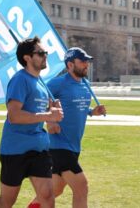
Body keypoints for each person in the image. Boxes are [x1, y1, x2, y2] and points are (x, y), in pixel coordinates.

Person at [0, 37, 63, 208]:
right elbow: (14, 116)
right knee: (5, 203)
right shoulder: (20, 80)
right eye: (41, 53)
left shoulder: (41, 84)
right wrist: (47, 115)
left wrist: (53, 119)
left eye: (46, 53)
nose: (45, 56)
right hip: (15, 150)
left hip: (38, 149)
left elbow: (47, 122)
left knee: (47, 196)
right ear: (27, 58)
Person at [28, 47, 106, 208]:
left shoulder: (86, 85)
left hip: (74, 146)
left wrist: (92, 112)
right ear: (70, 65)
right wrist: (50, 121)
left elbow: (77, 107)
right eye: (82, 61)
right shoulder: (57, 83)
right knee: (81, 187)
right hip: (58, 146)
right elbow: (40, 102)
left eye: (87, 61)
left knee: (54, 190)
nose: (86, 64)